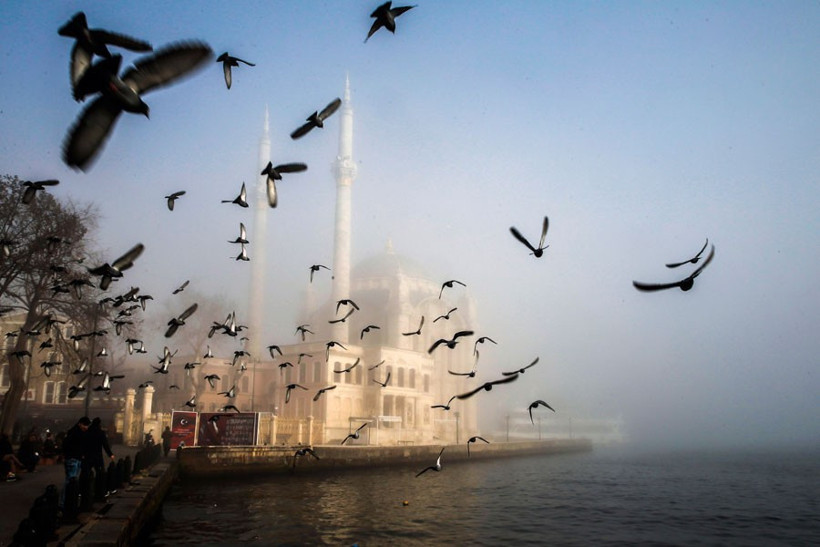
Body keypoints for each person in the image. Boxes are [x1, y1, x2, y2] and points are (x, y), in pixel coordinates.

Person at [61, 416, 90, 508]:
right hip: (73, 459)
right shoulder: (76, 433)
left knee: (71, 481)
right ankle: (65, 502)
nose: (86, 427)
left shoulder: (75, 432)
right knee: (70, 481)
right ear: (80, 424)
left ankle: (68, 501)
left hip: (74, 458)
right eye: (85, 425)